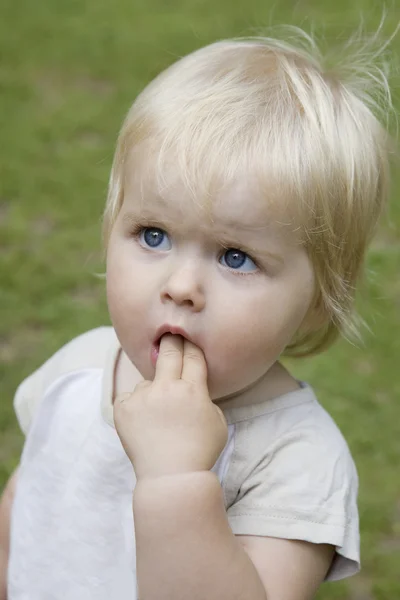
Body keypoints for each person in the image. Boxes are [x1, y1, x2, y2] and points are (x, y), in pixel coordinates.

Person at [0, 25, 395, 600]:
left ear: (317, 304)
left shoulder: (296, 464)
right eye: (153, 235)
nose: (181, 285)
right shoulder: (81, 368)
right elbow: (23, 516)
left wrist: (176, 479)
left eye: (237, 257)